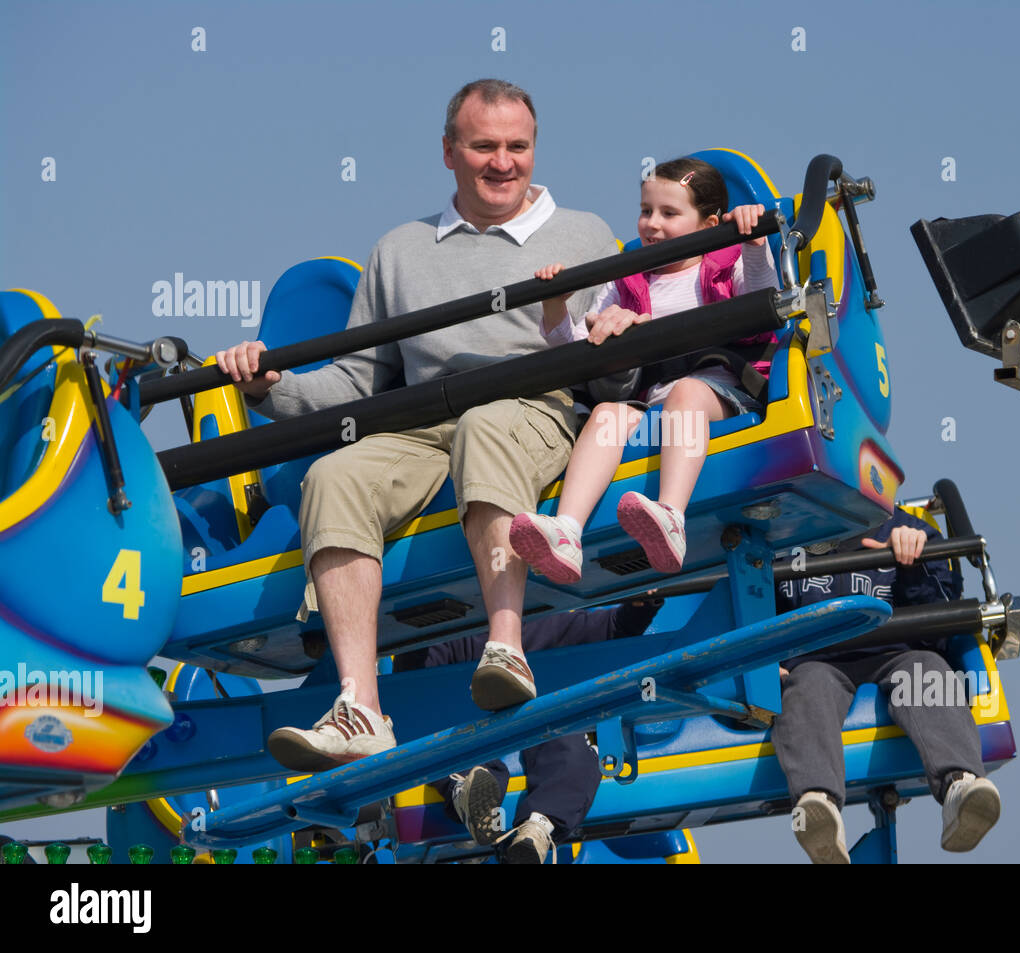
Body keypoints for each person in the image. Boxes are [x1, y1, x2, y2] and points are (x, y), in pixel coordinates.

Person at [213, 79, 621, 772]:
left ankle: (506, 643)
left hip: (528, 409)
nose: (502, 162)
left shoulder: (583, 234)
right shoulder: (399, 249)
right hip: (422, 422)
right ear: (448, 152)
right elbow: (355, 383)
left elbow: (611, 376)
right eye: (483, 146)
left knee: (487, 424)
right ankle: (360, 706)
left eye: (517, 147)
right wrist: (267, 387)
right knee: (335, 474)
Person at [508, 157, 778, 583]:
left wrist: (754, 240)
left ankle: (671, 515)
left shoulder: (728, 265)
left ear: (709, 227)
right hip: (653, 410)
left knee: (686, 391)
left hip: (721, 398)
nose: (651, 224)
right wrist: (555, 303)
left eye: (669, 214)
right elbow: (576, 350)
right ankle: (567, 532)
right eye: (646, 211)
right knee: (606, 415)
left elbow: (764, 304)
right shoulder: (627, 281)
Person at [771, 508, 1002, 863]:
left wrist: (915, 565)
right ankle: (818, 806)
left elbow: (942, 613)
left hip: (897, 650)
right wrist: (764, 661)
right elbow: (752, 606)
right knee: (805, 690)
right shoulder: (781, 533)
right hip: (816, 659)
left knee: (927, 671)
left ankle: (960, 785)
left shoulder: (908, 529)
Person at [423, 597, 663, 863]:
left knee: (572, 747)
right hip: (466, 724)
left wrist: (639, 607)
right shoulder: (445, 630)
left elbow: (611, 627)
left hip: (533, 720)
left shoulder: (540, 622)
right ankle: (469, 798)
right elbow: (421, 693)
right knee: (451, 738)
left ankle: (535, 830)